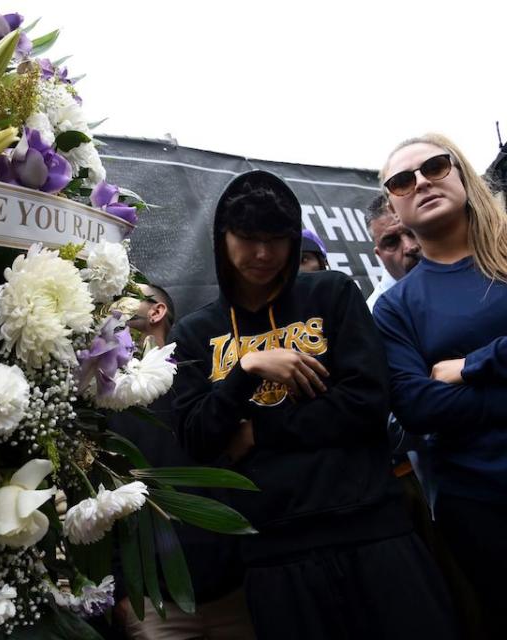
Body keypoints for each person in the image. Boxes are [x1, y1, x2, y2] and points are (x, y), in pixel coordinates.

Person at [170, 170, 457, 640]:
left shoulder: (332, 294)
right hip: (274, 552)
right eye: (247, 238)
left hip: (371, 529)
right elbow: (199, 441)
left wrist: (260, 433)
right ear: (222, 236)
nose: (263, 254)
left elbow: (366, 403)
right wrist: (246, 371)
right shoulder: (195, 333)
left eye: (277, 239)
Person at [373, 133, 507, 638]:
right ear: (393, 205)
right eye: (403, 181)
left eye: (434, 166)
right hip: (480, 506)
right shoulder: (395, 307)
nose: (422, 182)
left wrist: (472, 365)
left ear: (461, 172)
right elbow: (419, 407)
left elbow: (447, 396)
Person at [112, 284, 254, 640]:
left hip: (235, 590)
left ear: (156, 312)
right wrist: (121, 593)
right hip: (154, 604)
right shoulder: (101, 397)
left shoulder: (205, 380)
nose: (108, 306)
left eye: (123, 296)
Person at [364, 194, 421, 310]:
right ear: (379, 255)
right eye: (391, 242)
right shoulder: (374, 315)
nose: (409, 247)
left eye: (413, 232)